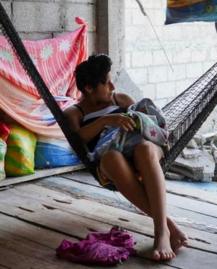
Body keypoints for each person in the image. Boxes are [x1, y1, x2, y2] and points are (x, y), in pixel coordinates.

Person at [64, 54, 187, 261]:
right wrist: (107, 120)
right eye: (106, 82)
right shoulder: (74, 113)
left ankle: (161, 232)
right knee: (111, 157)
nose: (112, 86)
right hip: (114, 163)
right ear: (88, 88)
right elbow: (78, 139)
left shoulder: (120, 99)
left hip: (144, 151)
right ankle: (168, 225)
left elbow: (145, 123)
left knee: (145, 149)